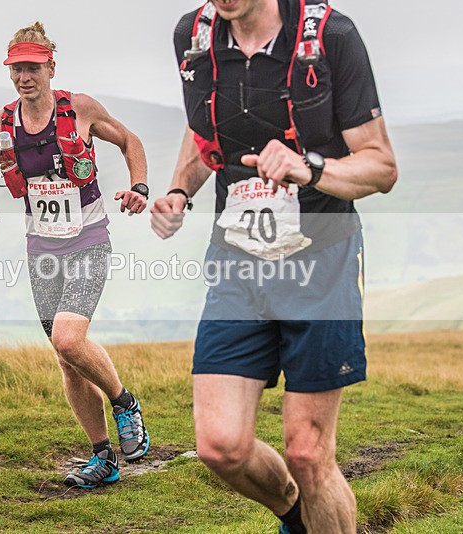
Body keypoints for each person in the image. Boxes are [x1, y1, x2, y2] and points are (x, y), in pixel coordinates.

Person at [152, 1, 397, 532]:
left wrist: (308, 167)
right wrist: (178, 191)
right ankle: (298, 517)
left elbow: (381, 167)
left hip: (321, 261)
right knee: (220, 446)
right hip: (239, 261)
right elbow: (203, 133)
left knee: (308, 454)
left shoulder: (331, 35)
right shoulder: (193, 36)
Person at [0, 22, 151, 489]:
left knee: (69, 338)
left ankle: (124, 401)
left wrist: (140, 187)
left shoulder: (79, 109)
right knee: (66, 358)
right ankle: (103, 457)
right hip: (41, 251)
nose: (24, 77)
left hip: (88, 240)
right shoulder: (2, 123)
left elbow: (131, 141)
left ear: (51, 67)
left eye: (32, 67)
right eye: (16, 69)